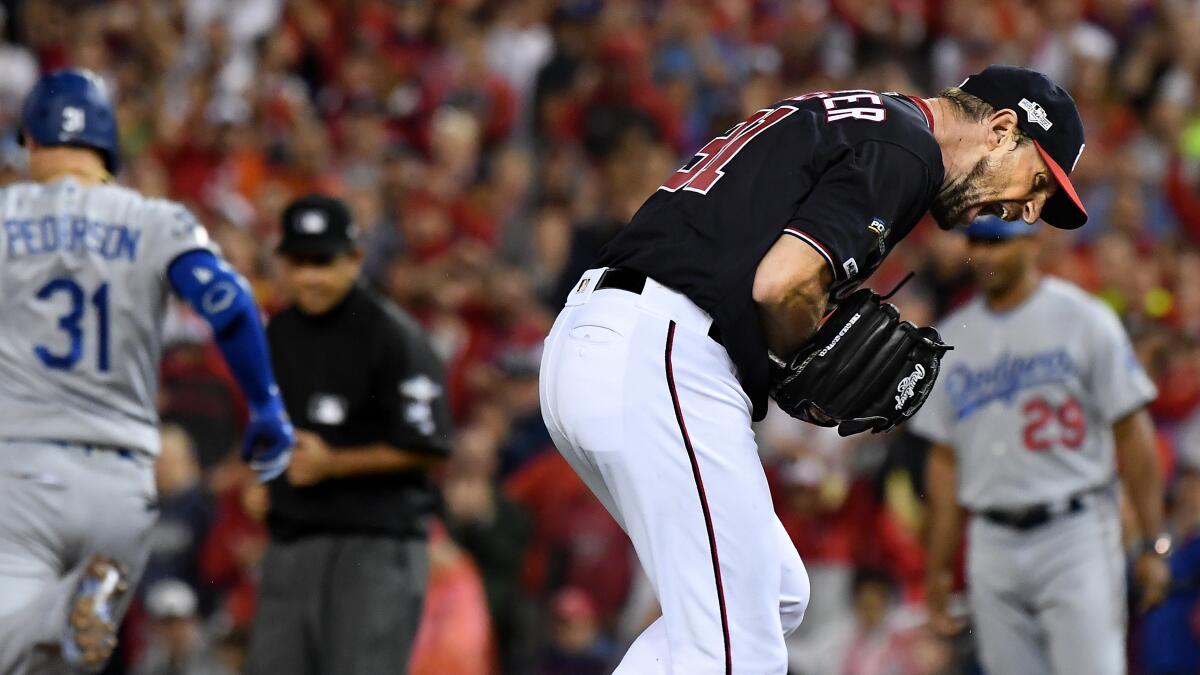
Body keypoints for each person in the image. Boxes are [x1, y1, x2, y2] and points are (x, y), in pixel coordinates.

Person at [539, 64, 1090, 673]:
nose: (1031, 212)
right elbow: (784, 285)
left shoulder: (874, 120)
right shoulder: (908, 148)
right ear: (1001, 129)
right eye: (1038, 181)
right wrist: (805, 351)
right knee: (735, 648)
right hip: (664, 351)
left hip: (616, 341)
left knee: (772, 594)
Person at [0, 69, 293, 674]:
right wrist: (265, 404)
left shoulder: (5, 215)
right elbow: (232, 304)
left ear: (30, 140)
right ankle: (70, 616)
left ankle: (56, 617)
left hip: (25, 472)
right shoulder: (157, 219)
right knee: (78, 662)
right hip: (125, 485)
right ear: (107, 146)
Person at [911, 215, 1169, 675]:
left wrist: (1152, 542)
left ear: (1033, 241)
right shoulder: (951, 340)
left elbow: (1134, 435)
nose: (986, 254)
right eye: (979, 242)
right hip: (990, 538)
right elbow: (944, 465)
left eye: (999, 242)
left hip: (1075, 531)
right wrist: (937, 568)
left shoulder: (1084, 318)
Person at [245, 194, 453, 675]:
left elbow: (430, 443)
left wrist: (333, 463)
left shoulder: (391, 333)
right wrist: (262, 477)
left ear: (354, 260)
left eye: (324, 262)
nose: (309, 276)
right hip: (295, 542)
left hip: (374, 546)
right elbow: (271, 427)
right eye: (298, 262)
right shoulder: (278, 333)